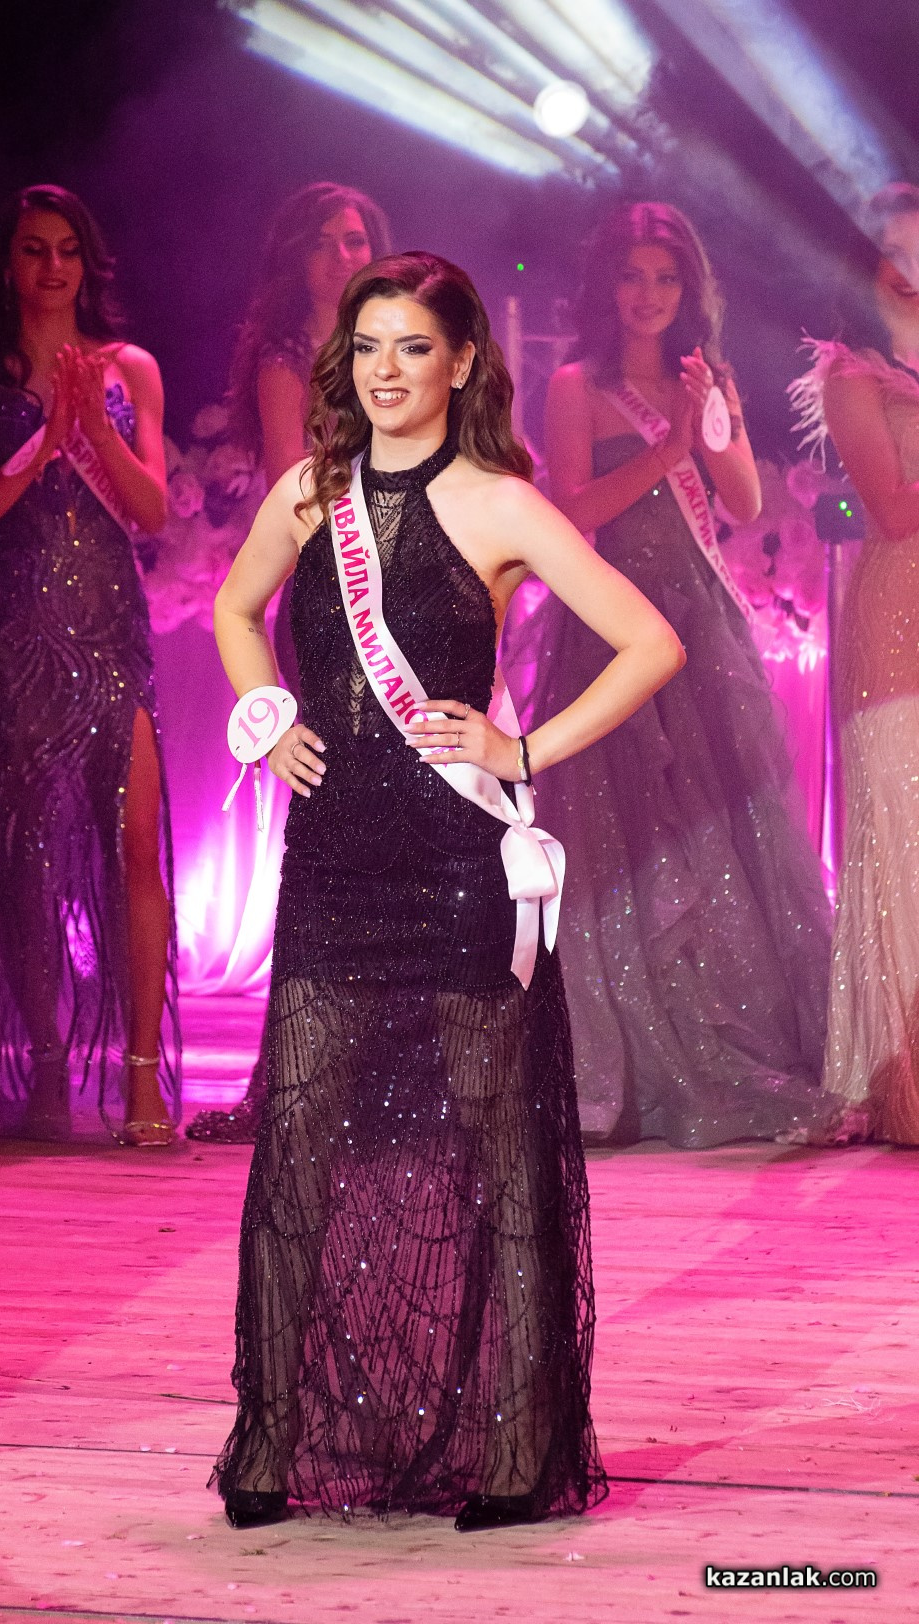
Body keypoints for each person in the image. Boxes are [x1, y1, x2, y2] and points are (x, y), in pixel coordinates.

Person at [210, 250, 684, 1529]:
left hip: (460, 862)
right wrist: (266, 716)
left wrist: (524, 750)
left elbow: (652, 641)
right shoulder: (311, 494)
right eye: (367, 345)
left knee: (501, 1151)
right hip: (332, 863)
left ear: (462, 361)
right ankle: (266, 1440)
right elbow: (237, 611)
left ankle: (520, 1450)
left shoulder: (502, 504)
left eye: (413, 347)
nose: (385, 370)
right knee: (297, 1143)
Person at [534, 201, 834, 1148]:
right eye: (632, 276)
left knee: (722, 834)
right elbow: (570, 513)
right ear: (606, 286)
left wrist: (706, 422)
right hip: (613, 630)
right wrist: (662, 451)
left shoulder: (708, 377)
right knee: (626, 838)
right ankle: (631, 1063)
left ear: (689, 291)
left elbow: (742, 503)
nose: (648, 295)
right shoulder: (577, 385)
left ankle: (728, 1032)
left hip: (701, 632)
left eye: (666, 279)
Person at [0, 184, 180, 1145]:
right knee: (28, 850)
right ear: (8, 264)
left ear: (89, 265)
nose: (53, 267)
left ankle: (141, 1079)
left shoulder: (130, 367)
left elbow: (152, 511)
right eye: (33, 250)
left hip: (109, 625)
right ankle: (46, 1064)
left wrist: (90, 423)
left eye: (68, 250)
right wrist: (49, 435)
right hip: (15, 628)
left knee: (135, 840)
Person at [187, 180, 391, 1144]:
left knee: (401, 825)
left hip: (405, 590)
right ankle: (303, 1076)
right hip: (332, 595)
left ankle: (393, 1069)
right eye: (322, 242)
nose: (342, 257)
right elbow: (290, 488)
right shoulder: (286, 361)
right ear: (295, 260)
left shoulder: (394, 341)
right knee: (332, 828)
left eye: (355, 240)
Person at [790, 182, 919, 1145]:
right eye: (893, 250)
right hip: (898, 628)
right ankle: (900, 1077)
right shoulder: (851, 375)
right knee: (903, 844)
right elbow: (895, 510)